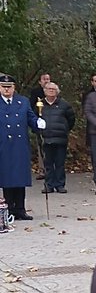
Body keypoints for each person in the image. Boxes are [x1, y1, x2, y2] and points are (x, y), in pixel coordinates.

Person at [0, 74, 42, 221]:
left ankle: (20, 209)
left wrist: (38, 123)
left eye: (9, 87)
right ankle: (8, 208)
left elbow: (30, 118)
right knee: (7, 178)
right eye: (3, 87)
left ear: (14, 88)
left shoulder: (22, 102)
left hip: (19, 145)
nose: (6, 90)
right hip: (4, 145)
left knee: (19, 177)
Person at [38, 82, 75, 194]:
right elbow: (34, 118)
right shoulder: (39, 105)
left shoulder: (64, 105)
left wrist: (64, 129)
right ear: (44, 91)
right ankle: (49, 185)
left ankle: (60, 185)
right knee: (48, 163)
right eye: (49, 89)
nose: (51, 91)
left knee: (59, 163)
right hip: (46, 138)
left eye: (53, 89)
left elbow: (71, 119)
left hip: (60, 138)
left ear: (57, 91)